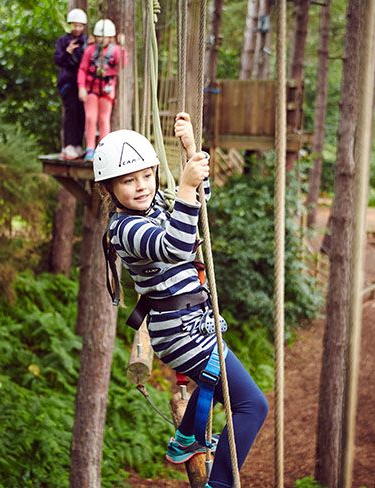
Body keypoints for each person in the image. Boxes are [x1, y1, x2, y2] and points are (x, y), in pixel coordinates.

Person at [93, 113, 269, 488]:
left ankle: (187, 438)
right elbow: (174, 246)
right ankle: (219, 484)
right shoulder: (125, 229)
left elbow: (195, 207)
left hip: (193, 326)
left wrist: (192, 154)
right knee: (252, 406)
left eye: (145, 175)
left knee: (239, 398)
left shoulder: (151, 206)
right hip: (181, 335)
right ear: (109, 188)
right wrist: (186, 186)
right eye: (127, 180)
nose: (141, 186)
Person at [77, 18, 125, 161]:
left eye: (105, 36)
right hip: (91, 89)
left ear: (110, 37)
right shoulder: (90, 51)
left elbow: (122, 64)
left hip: (106, 90)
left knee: (104, 119)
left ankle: (104, 149)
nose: (102, 39)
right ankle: (90, 148)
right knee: (91, 118)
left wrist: (122, 47)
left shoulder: (116, 51)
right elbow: (82, 69)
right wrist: (81, 88)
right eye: (99, 36)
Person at [54, 8, 88, 160]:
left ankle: (78, 145)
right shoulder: (62, 41)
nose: (77, 29)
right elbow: (58, 60)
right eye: (74, 25)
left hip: (82, 84)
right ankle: (68, 145)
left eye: (80, 26)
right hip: (68, 82)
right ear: (70, 25)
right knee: (70, 113)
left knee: (82, 114)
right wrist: (67, 51)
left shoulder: (86, 42)